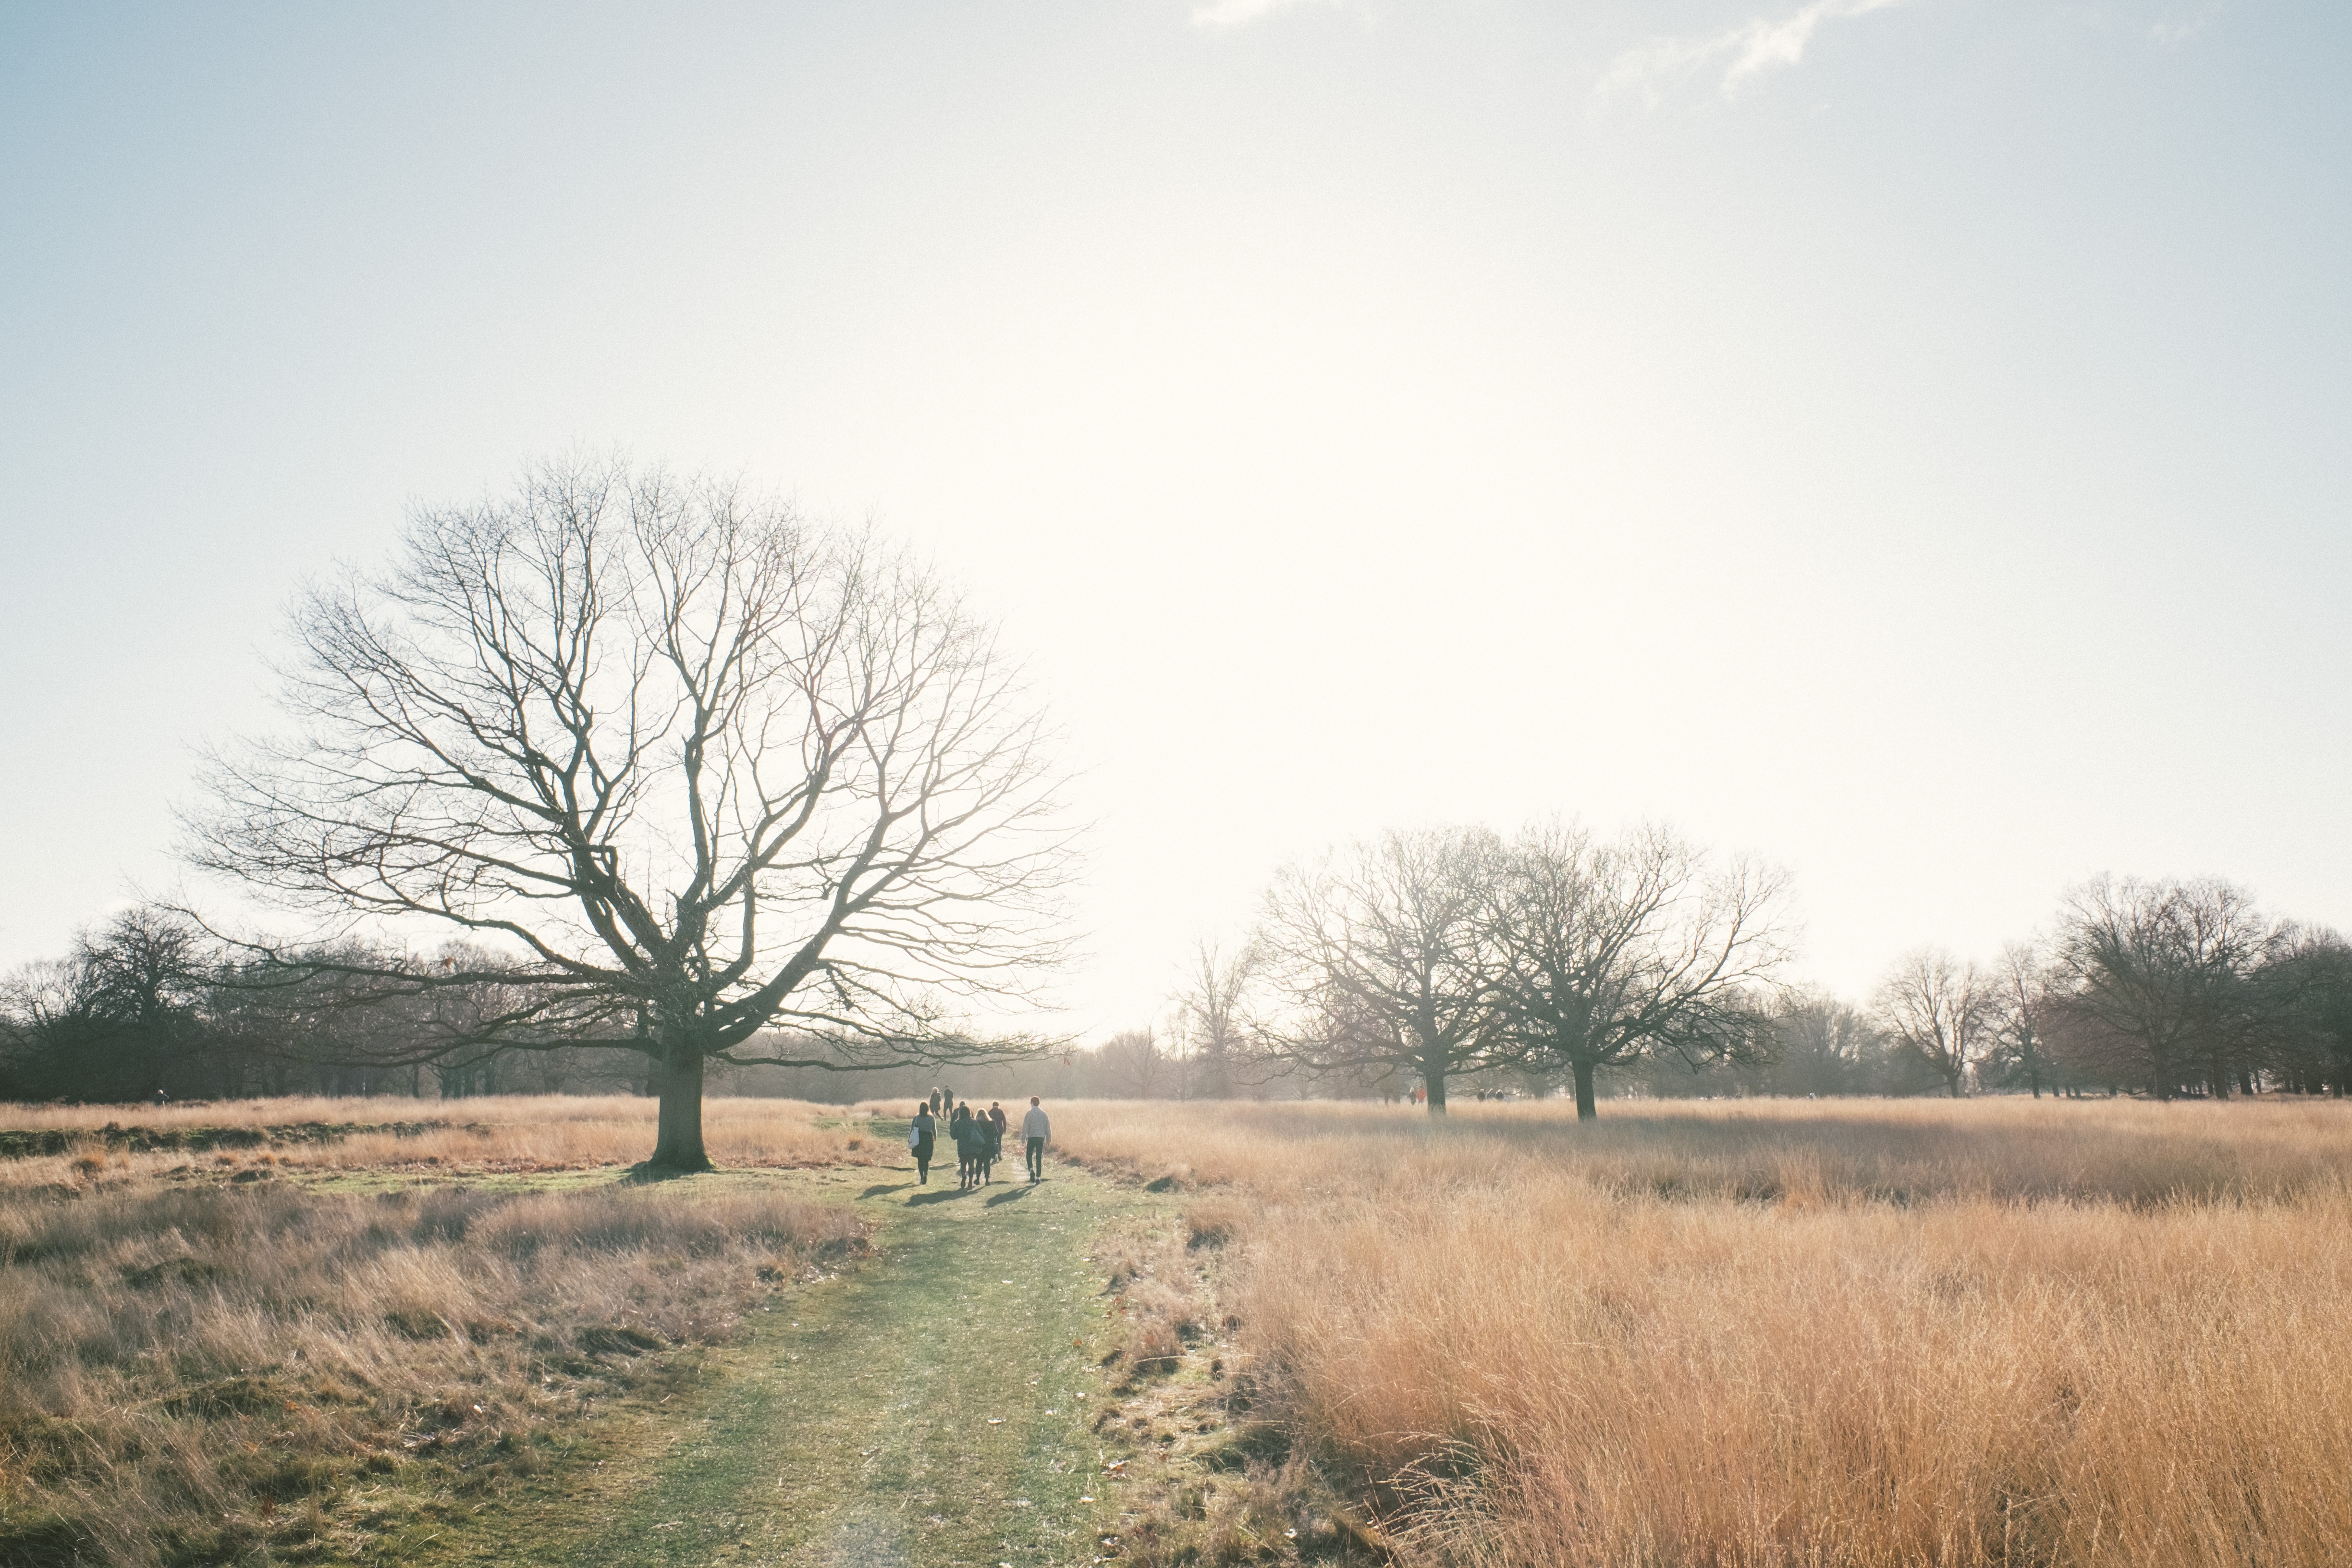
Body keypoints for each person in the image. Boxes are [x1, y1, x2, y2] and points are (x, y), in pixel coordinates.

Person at [1021, 1096, 1051, 1182]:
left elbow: (1026, 1127)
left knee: (1029, 1155)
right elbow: (1048, 1127)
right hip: (1041, 1137)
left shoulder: (1029, 1114)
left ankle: (1031, 1170)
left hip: (1032, 1137)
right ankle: (1038, 1177)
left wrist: (1023, 1138)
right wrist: (1048, 1138)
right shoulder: (1044, 1114)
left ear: (1032, 1103)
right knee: (1039, 1157)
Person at [949, 1102, 977, 1189]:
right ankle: (971, 1179)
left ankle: (964, 1175)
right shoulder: (974, 1123)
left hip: (962, 1147)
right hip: (972, 1146)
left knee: (963, 1163)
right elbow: (980, 1133)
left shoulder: (957, 1123)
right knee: (971, 1164)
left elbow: (953, 1136)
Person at [909, 1102, 937, 1184]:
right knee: (926, 1159)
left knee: (920, 1159)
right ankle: (926, 1174)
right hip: (928, 1139)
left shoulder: (916, 1118)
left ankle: (922, 1176)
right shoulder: (931, 1118)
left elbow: (912, 1129)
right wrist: (935, 1137)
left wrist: (910, 1138)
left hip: (919, 1139)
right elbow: (934, 1129)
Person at [985, 1102, 1008, 1185]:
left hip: (992, 1130)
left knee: (993, 1143)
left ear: (993, 1105)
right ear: (998, 1105)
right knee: (999, 1142)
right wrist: (1005, 1128)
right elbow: (1004, 1120)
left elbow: (988, 1121)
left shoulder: (990, 1112)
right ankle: (999, 1154)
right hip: (1000, 1129)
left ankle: (994, 1157)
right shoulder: (1001, 1111)